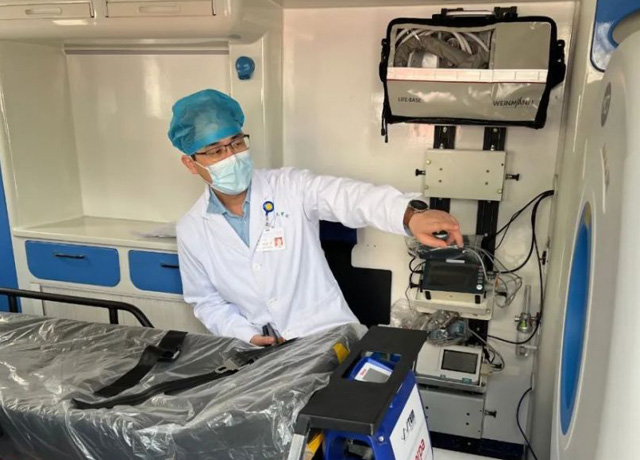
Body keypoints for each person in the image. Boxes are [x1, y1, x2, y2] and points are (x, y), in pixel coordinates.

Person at [169, 89, 463, 346]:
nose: (231, 156)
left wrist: (409, 215)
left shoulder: (289, 186)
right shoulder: (192, 230)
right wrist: (245, 334)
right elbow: (206, 301)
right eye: (216, 151)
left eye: (236, 143)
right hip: (259, 350)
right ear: (190, 164)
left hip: (326, 335)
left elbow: (350, 197)